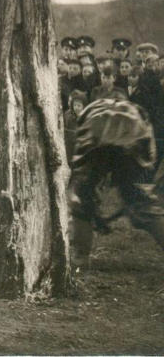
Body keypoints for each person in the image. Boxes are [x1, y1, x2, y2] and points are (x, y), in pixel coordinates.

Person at [69, 98, 164, 268]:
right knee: (139, 200)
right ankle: (80, 256)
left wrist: (88, 204)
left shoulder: (89, 118)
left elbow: (80, 170)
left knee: (82, 199)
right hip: (132, 137)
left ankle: (80, 256)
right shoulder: (136, 113)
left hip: (101, 137)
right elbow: (148, 153)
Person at [63, 90, 87, 162]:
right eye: (75, 105)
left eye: (79, 106)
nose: (76, 107)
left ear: (83, 107)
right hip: (70, 143)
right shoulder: (68, 116)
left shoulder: (85, 117)